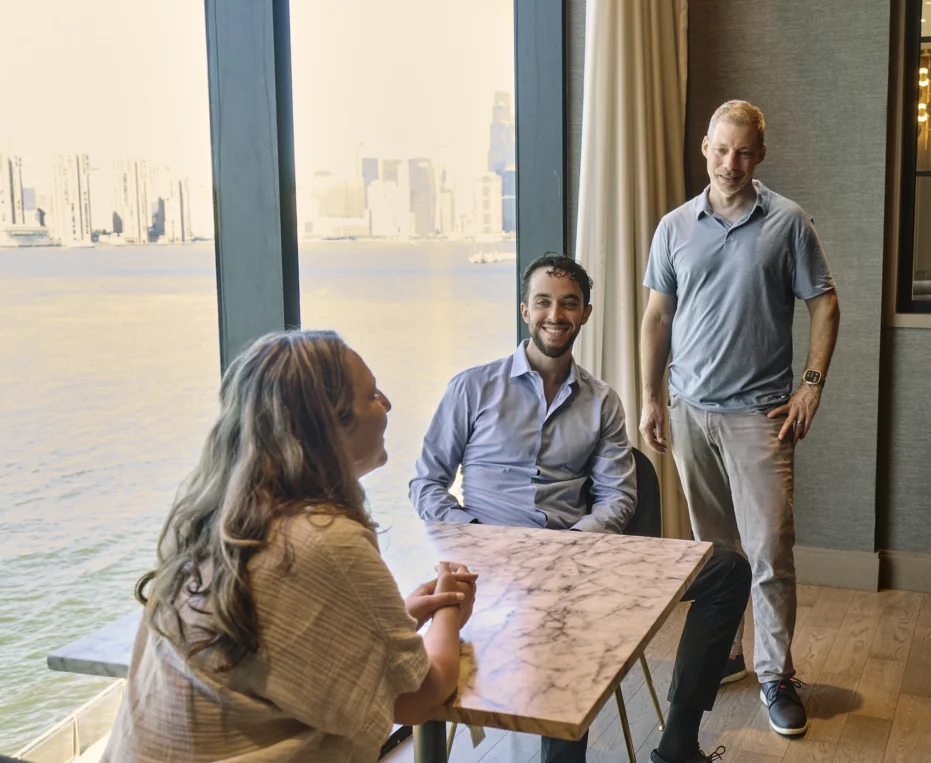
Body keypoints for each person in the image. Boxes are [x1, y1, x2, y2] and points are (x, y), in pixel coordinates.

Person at [411, 253, 749, 763]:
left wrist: (572, 547)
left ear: (585, 313)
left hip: (578, 558)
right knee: (564, 648)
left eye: (569, 304)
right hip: (492, 564)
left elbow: (618, 496)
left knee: (727, 568)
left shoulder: (602, 401)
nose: (556, 314)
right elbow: (426, 485)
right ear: (525, 311)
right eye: (543, 302)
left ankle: (678, 742)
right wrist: (481, 536)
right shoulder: (471, 388)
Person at [103, 330, 478, 762]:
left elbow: (278, 649)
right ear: (326, 427)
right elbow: (418, 698)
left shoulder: (214, 519)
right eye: (372, 395)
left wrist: (399, 620)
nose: (387, 404)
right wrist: (451, 612)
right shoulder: (322, 538)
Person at [638, 100, 840, 738]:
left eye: (745, 151)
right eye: (722, 149)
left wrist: (810, 385)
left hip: (759, 415)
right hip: (690, 410)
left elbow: (826, 304)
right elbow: (656, 319)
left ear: (761, 153)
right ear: (705, 147)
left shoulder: (787, 222)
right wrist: (649, 398)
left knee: (770, 550)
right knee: (716, 553)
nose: (732, 163)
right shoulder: (674, 226)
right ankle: (727, 654)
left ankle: (776, 672)